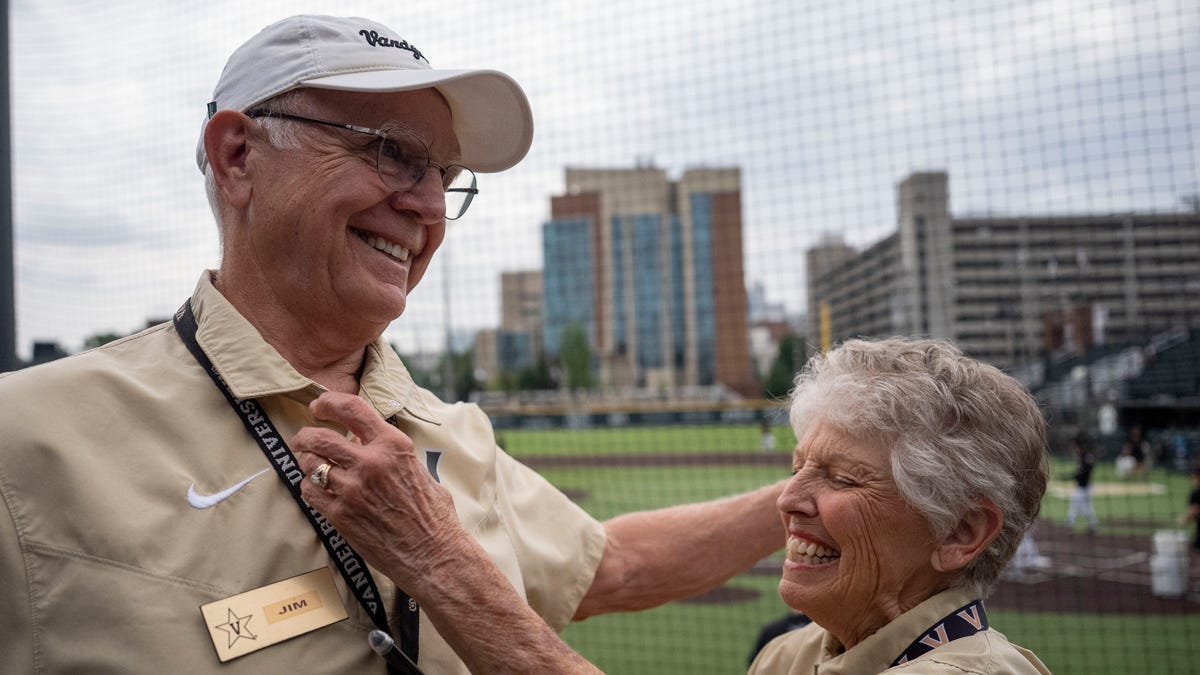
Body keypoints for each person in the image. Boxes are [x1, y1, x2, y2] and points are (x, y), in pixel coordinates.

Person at [0, 15, 785, 674]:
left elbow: (612, 563)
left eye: (445, 174)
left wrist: (809, 490)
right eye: (390, 151)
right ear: (239, 156)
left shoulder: (452, 434)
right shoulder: (27, 436)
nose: (428, 205)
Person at [747, 337, 1052, 674]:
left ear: (959, 533)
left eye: (843, 479)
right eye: (797, 468)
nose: (787, 500)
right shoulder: (785, 656)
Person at [1065, 433, 1099, 534]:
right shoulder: (1082, 456)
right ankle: (1092, 525)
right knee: (1083, 506)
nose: (1074, 449)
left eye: (1075, 447)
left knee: (1080, 505)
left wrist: (1074, 475)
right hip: (1082, 486)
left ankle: (1070, 524)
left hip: (1085, 487)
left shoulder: (1087, 456)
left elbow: (1085, 470)